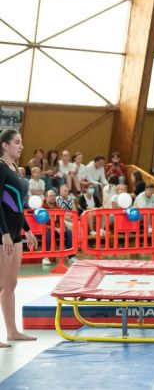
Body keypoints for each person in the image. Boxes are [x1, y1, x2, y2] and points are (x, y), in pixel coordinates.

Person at [0, 129, 39, 345]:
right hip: (2, 233)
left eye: (21, 142)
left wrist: (28, 230)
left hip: (15, 234)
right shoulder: (0, 168)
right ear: (5, 145)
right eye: (17, 142)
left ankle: (12, 331)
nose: (21, 146)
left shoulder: (16, 170)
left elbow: (18, 207)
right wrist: (4, 233)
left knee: (11, 284)